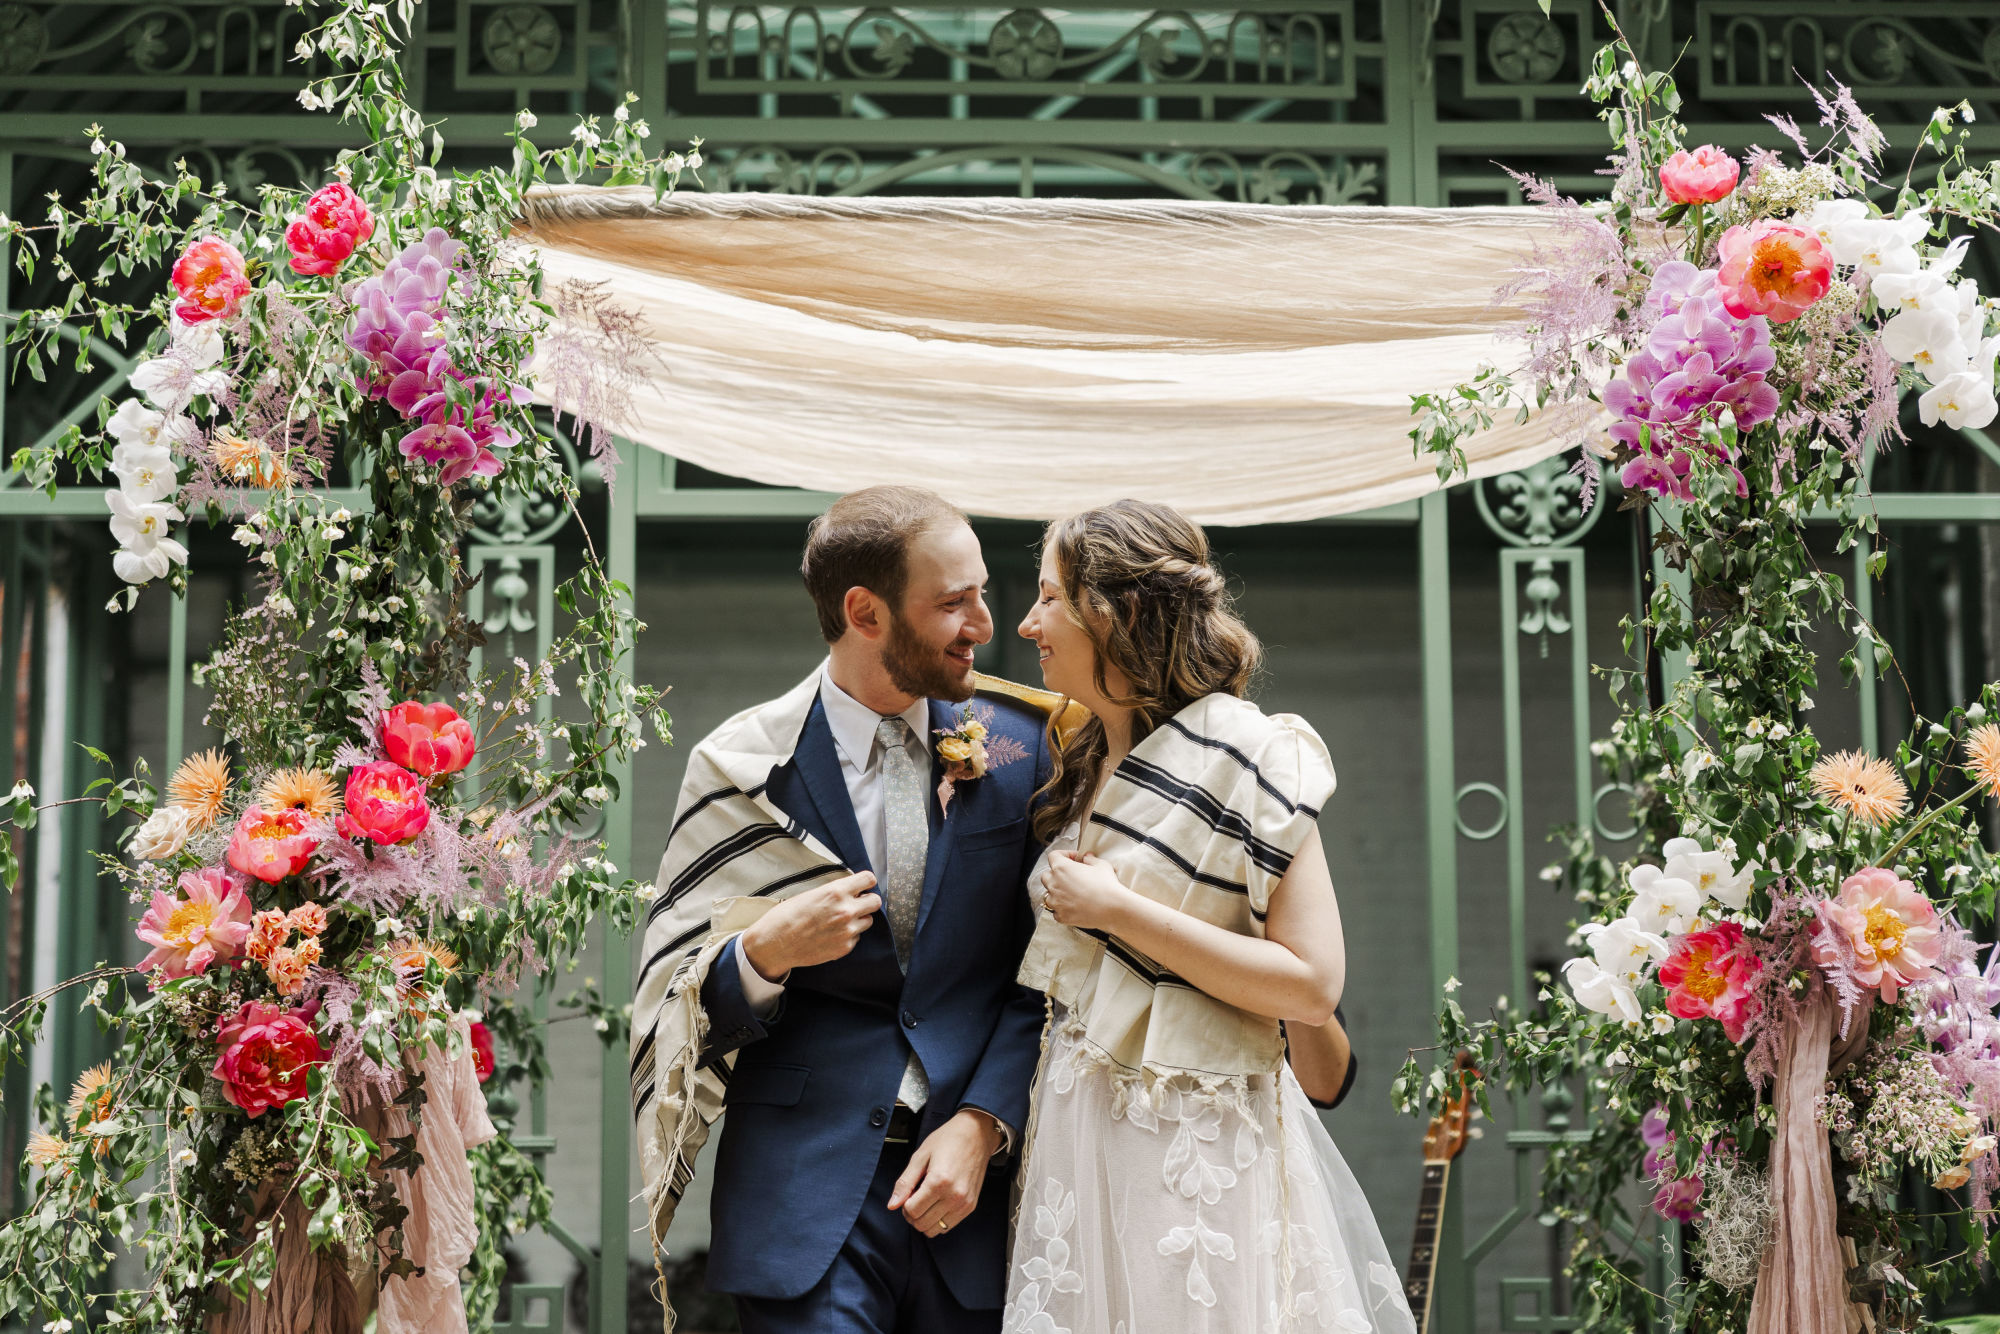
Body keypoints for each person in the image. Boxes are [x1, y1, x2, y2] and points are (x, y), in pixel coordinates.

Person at [630, 485, 1066, 1334]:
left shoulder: (1023, 745)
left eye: (980, 591)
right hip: (804, 1201)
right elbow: (675, 993)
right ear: (864, 612)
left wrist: (983, 1127)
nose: (986, 622)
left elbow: (1049, 972)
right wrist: (763, 955)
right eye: (952, 602)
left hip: (981, 1203)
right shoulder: (741, 766)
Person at [1004, 499, 1417, 1334]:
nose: (1025, 623)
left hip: (1195, 1140)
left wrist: (1119, 910)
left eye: (1049, 597)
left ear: (1112, 612)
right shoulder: (1073, 761)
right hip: (1081, 1133)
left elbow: (1309, 985)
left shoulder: (1251, 754)